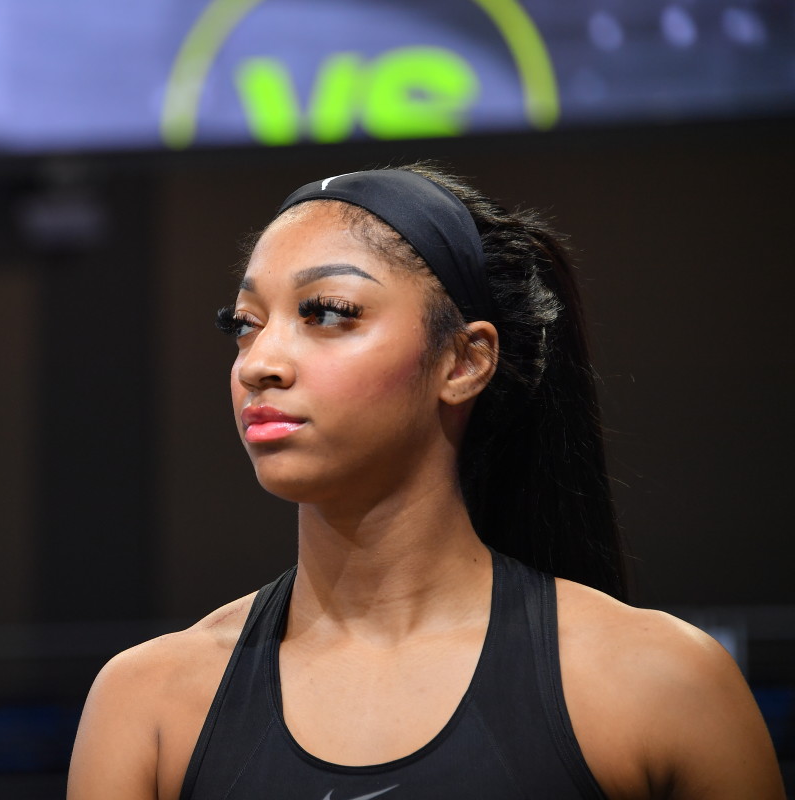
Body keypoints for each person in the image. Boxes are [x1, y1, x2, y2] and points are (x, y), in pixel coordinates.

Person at [67, 165, 785, 798]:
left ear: (465, 361)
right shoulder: (149, 705)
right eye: (245, 323)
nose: (260, 362)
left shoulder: (657, 684)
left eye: (328, 313)